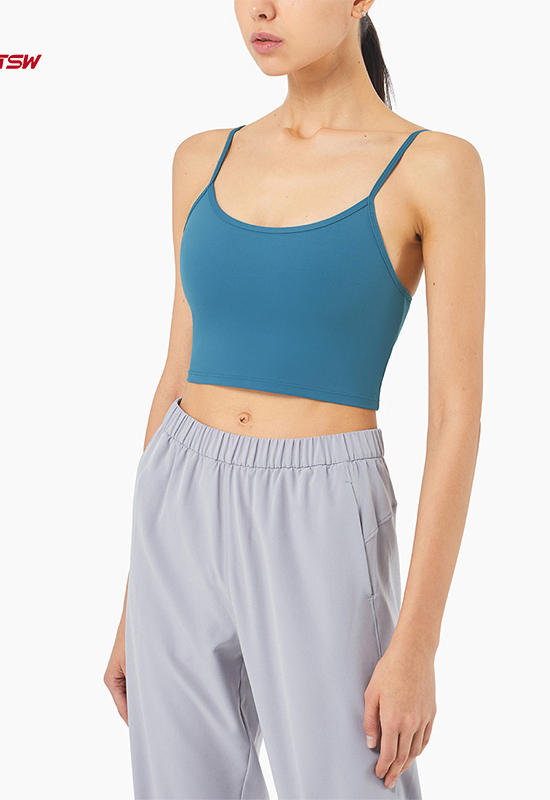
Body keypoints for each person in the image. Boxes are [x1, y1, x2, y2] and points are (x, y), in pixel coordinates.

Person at [104, 2, 485, 798]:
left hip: (320, 507)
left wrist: (417, 644)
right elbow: (175, 374)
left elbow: (455, 415)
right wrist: (135, 600)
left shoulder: (433, 166)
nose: (261, 8)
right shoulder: (201, 158)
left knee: (351, 779)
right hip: (178, 500)